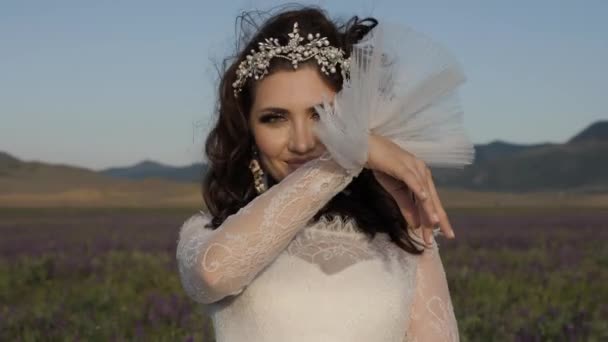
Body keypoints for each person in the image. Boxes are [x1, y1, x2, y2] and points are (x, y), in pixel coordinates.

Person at [176, 5, 474, 341]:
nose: (302, 143)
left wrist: (418, 232)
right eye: (275, 118)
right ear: (249, 131)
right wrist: (344, 158)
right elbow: (215, 274)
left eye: (322, 115)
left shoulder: (400, 236)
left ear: (356, 118)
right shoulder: (204, 233)